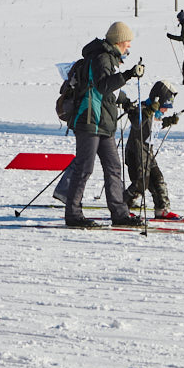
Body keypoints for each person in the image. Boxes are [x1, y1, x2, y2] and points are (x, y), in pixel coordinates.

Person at [61, 22, 146, 228]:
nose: (129, 47)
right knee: (84, 168)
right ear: (118, 40)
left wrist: (126, 101)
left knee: (113, 167)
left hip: (103, 123)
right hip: (90, 121)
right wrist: (128, 75)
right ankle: (72, 214)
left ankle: (119, 213)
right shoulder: (101, 58)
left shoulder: (109, 59)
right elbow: (103, 86)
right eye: (127, 42)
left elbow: (110, 91)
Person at [123, 80, 182, 220]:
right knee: (140, 183)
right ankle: (122, 207)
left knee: (157, 179)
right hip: (136, 153)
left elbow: (153, 126)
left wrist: (168, 121)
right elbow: (138, 124)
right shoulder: (143, 108)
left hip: (147, 152)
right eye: (164, 107)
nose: (166, 110)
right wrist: (149, 111)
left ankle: (162, 209)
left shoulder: (155, 113)